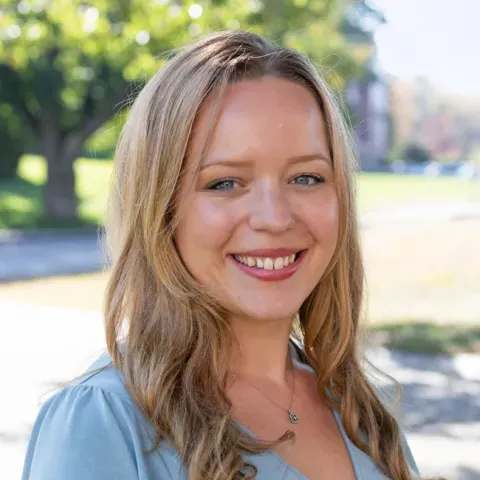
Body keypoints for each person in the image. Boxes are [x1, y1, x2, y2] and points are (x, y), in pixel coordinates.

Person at [23, 30, 425, 480]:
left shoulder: (359, 407)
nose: (274, 218)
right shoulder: (104, 423)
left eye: (307, 178)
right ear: (161, 209)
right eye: (224, 183)